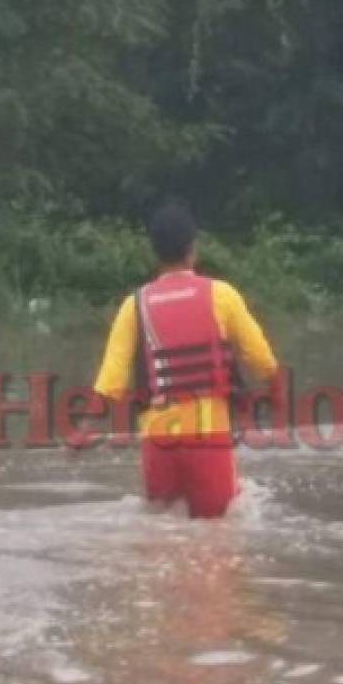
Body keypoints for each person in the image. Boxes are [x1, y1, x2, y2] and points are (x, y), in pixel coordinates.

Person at [91, 203, 279, 519]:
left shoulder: (133, 306)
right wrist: (275, 396)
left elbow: (110, 379)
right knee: (218, 534)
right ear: (193, 247)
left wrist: (81, 429)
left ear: (154, 252)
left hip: (158, 438)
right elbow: (262, 359)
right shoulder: (222, 294)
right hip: (210, 435)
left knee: (164, 529)